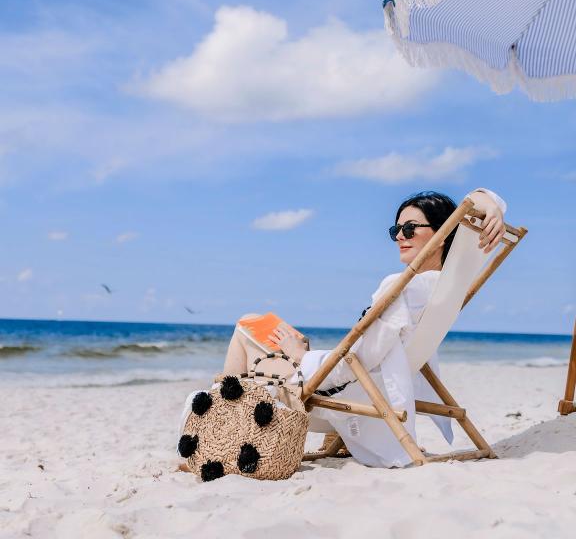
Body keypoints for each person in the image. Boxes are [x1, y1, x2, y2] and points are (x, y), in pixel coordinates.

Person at [182, 188, 507, 467]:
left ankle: (224, 421)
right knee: (262, 324)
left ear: (442, 234)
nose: (399, 237)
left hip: (340, 384)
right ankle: (233, 414)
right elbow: (371, 353)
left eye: (410, 228)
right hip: (365, 380)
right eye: (395, 229)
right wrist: (490, 205)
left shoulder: (403, 286)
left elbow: (358, 361)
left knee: (246, 325)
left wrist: (302, 358)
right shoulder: (443, 288)